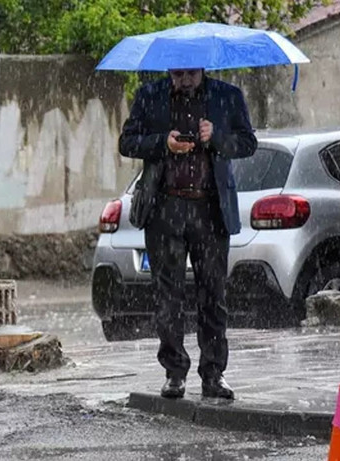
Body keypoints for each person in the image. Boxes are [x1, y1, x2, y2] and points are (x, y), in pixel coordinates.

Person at [119, 69, 257, 400]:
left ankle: (214, 373)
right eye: (178, 73)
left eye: (190, 73)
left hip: (210, 210)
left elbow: (248, 143)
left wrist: (216, 137)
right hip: (165, 209)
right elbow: (127, 142)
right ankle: (174, 372)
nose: (184, 79)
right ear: (169, 70)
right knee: (168, 296)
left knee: (213, 295)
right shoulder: (150, 96)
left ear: (202, 68)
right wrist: (162, 143)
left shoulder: (227, 96)